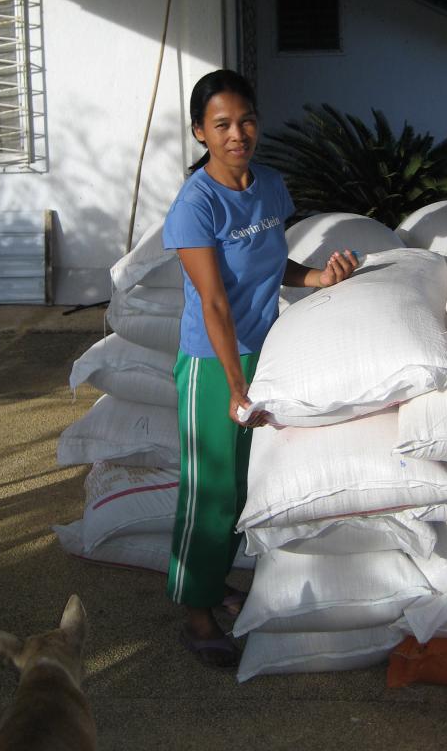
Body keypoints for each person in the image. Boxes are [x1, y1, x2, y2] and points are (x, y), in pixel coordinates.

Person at [162, 69, 357, 668]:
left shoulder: (270, 185)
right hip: (212, 362)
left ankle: (213, 581)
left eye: (245, 120)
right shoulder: (196, 204)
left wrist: (317, 277)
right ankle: (195, 611)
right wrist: (235, 384)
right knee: (211, 489)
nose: (236, 134)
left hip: (261, 352)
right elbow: (214, 300)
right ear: (200, 132)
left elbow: (273, 260)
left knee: (247, 485)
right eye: (221, 125)